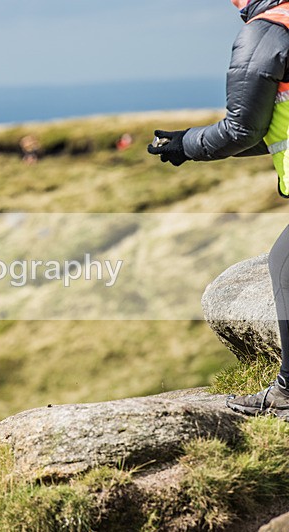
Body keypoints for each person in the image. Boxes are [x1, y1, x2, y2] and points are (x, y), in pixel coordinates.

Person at [148, 0, 289, 417]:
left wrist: (185, 145)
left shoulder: (267, 31)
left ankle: (287, 394)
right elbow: (267, 130)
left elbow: (241, 129)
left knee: (284, 266)